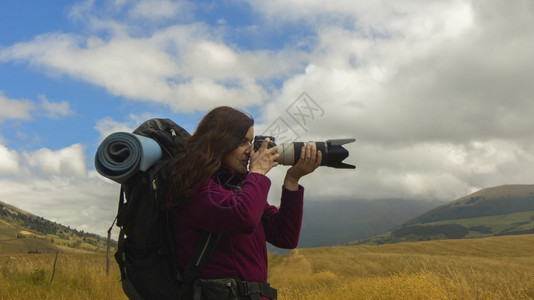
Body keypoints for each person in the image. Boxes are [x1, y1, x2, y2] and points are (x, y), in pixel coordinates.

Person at [166, 106, 321, 299]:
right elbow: (243, 217)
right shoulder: (196, 188)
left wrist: (292, 180)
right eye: (243, 142)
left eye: (250, 141)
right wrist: (257, 173)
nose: (250, 151)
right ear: (220, 142)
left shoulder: (237, 189)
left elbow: (285, 236)